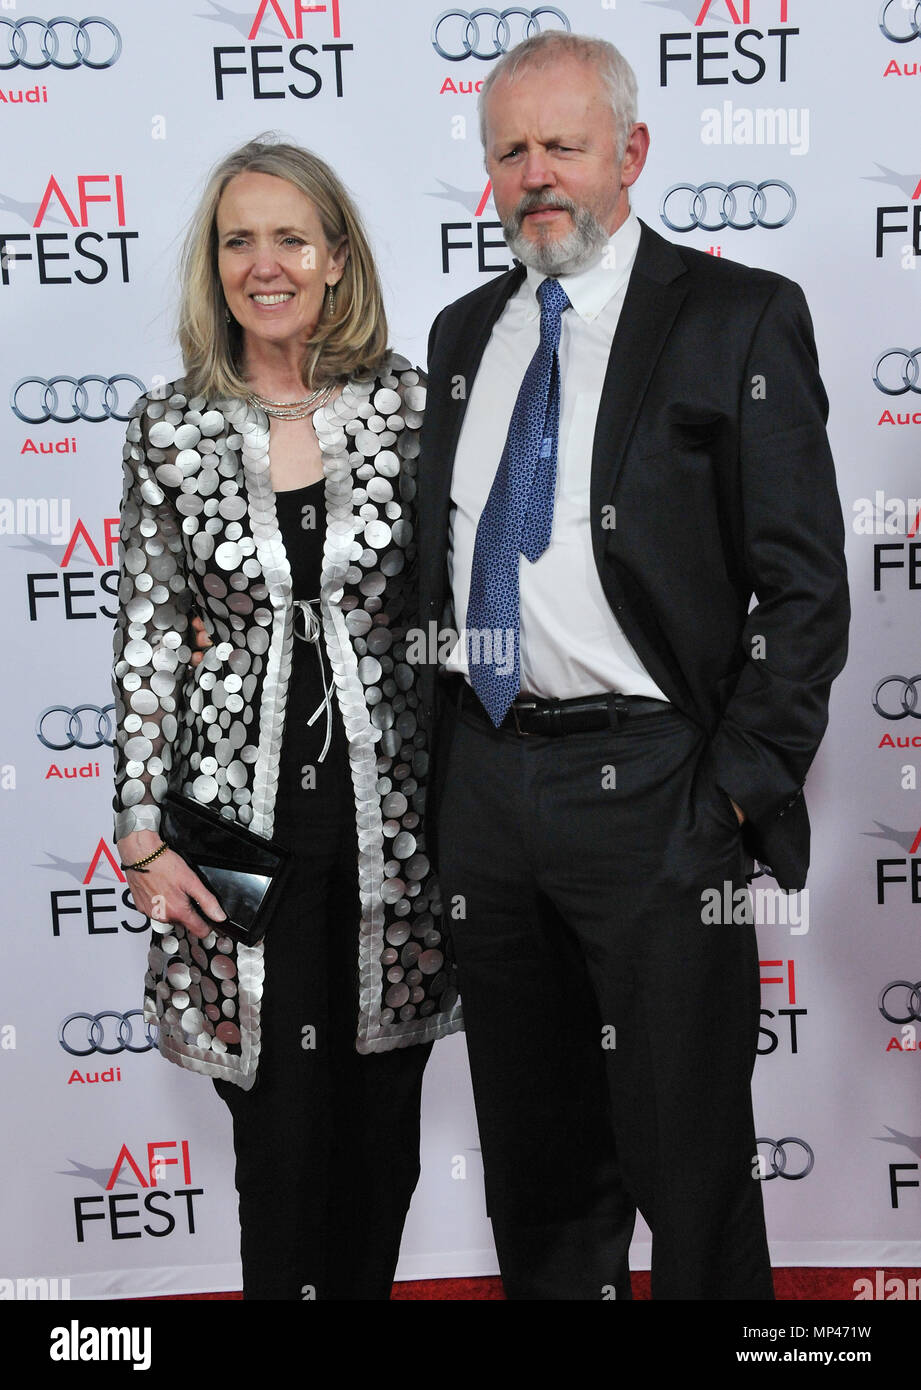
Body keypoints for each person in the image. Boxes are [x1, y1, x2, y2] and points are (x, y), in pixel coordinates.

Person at [418, 32, 849, 1300]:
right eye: (511, 150)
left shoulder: (734, 316)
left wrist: (731, 790)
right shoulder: (460, 335)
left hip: (657, 790)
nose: (538, 173)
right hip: (488, 790)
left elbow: (806, 582)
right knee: (538, 1172)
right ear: (487, 171)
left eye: (565, 144)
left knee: (692, 1158)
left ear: (632, 154)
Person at [112, 137, 461, 1301]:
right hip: (230, 831)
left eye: (290, 237)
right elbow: (151, 636)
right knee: (277, 1138)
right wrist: (139, 831)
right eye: (237, 240)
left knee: (382, 1137)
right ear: (213, 266)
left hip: (394, 826)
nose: (264, 264)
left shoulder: (410, 407)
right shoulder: (169, 428)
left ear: (337, 254)